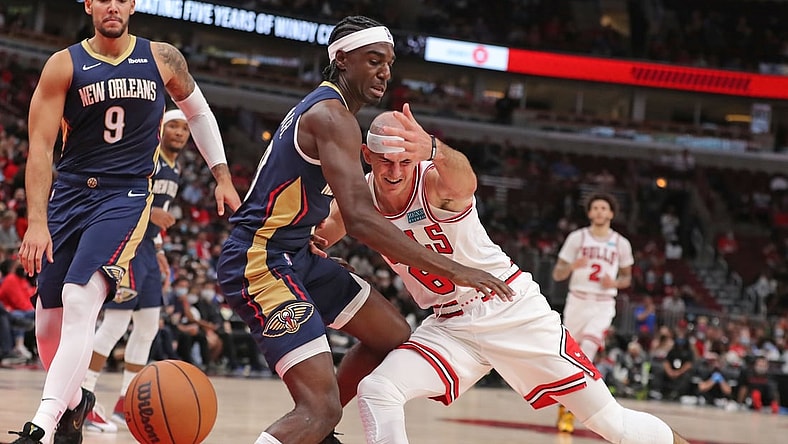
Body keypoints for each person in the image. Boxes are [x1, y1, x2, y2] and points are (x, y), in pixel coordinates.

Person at [216, 15, 513, 444]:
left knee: (393, 336)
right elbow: (358, 217)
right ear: (341, 59)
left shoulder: (328, 111)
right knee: (319, 410)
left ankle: (313, 428)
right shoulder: (332, 116)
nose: (384, 72)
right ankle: (315, 421)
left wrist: (307, 238)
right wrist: (455, 270)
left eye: (389, 63)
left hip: (294, 252)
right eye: (373, 61)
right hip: (259, 260)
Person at [314, 107, 689, 444]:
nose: (395, 171)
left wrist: (434, 148)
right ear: (367, 156)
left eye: (404, 160)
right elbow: (320, 236)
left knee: (613, 424)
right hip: (450, 324)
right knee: (378, 388)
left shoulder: (434, 180)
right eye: (385, 162)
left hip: (509, 307)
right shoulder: (357, 200)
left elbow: (466, 182)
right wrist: (312, 253)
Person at [9, 1, 241, 443]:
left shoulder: (162, 57)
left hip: (127, 193)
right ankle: (77, 404)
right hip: (71, 193)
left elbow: (199, 113)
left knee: (81, 297)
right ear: (89, 5)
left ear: (132, 4)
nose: (112, 5)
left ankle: (43, 421)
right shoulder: (63, 64)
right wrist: (36, 221)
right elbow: (39, 149)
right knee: (47, 320)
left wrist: (223, 177)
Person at [80, 108, 190, 433]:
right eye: (173, 126)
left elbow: (158, 218)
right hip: (126, 243)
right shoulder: (147, 154)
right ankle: (83, 399)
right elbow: (118, 189)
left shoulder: (177, 168)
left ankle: (126, 403)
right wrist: (150, 210)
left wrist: (159, 250)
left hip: (147, 250)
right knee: (114, 323)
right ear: (161, 128)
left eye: (185, 128)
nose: (180, 133)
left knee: (147, 326)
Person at [551, 191, 633, 433]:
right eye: (595, 208)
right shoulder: (577, 238)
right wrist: (572, 266)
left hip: (603, 302)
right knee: (569, 358)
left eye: (603, 208)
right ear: (589, 213)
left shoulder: (621, 243)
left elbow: (627, 278)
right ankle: (565, 404)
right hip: (577, 301)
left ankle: (571, 410)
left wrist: (615, 283)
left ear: (611, 213)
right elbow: (557, 274)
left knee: (587, 350)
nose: (599, 211)